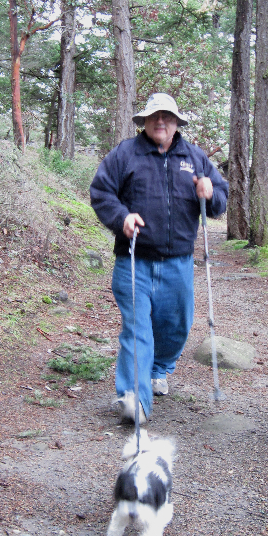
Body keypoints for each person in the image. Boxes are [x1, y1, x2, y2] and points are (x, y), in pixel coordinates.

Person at [90, 93, 228, 423]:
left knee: (175, 326)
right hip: (134, 260)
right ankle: (132, 398)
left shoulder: (194, 158)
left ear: (177, 122)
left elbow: (219, 200)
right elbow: (101, 192)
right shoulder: (125, 154)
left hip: (178, 263)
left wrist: (210, 192)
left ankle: (159, 369)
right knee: (138, 330)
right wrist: (121, 217)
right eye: (154, 116)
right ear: (145, 122)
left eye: (167, 116)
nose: (161, 121)